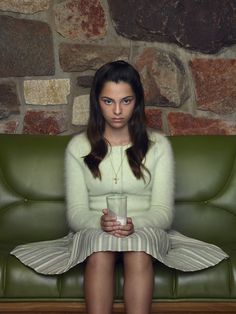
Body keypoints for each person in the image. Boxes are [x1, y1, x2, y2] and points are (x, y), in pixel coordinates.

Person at [11, 60, 228, 314]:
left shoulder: (158, 146)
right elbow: (76, 213)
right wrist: (100, 224)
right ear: (97, 102)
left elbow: (163, 212)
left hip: (145, 226)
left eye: (125, 101)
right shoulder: (78, 147)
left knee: (138, 250)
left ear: (137, 102)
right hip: (93, 227)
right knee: (100, 250)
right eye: (108, 101)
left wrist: (134, 224)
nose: (117, 111)